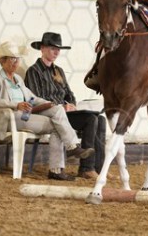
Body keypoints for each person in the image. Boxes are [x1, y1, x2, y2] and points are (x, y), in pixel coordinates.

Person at [0, 41, 94, 181]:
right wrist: (16, 105)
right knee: (57, 125)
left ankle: (69, 151)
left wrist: (49, 103)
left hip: (24, 115)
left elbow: (33, 98)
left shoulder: (17, 79)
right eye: (12, 59)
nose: (16, 62)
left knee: (57, 111)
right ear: (2, 61)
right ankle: (59, 164)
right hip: (8, 118)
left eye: (17, 59)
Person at [25, 32, 106, 180]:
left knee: (100, 119)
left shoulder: (59, 71)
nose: (56, 52)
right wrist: (62, 106)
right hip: (49, 113)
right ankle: (86, 168)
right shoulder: (33, 71)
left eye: (58, 49)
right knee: (91, 119)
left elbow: (69, 93)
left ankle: (99, 169)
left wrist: (72, 104)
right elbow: (36, 98)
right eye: (52, 48)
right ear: (42, 49)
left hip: (64, 113)